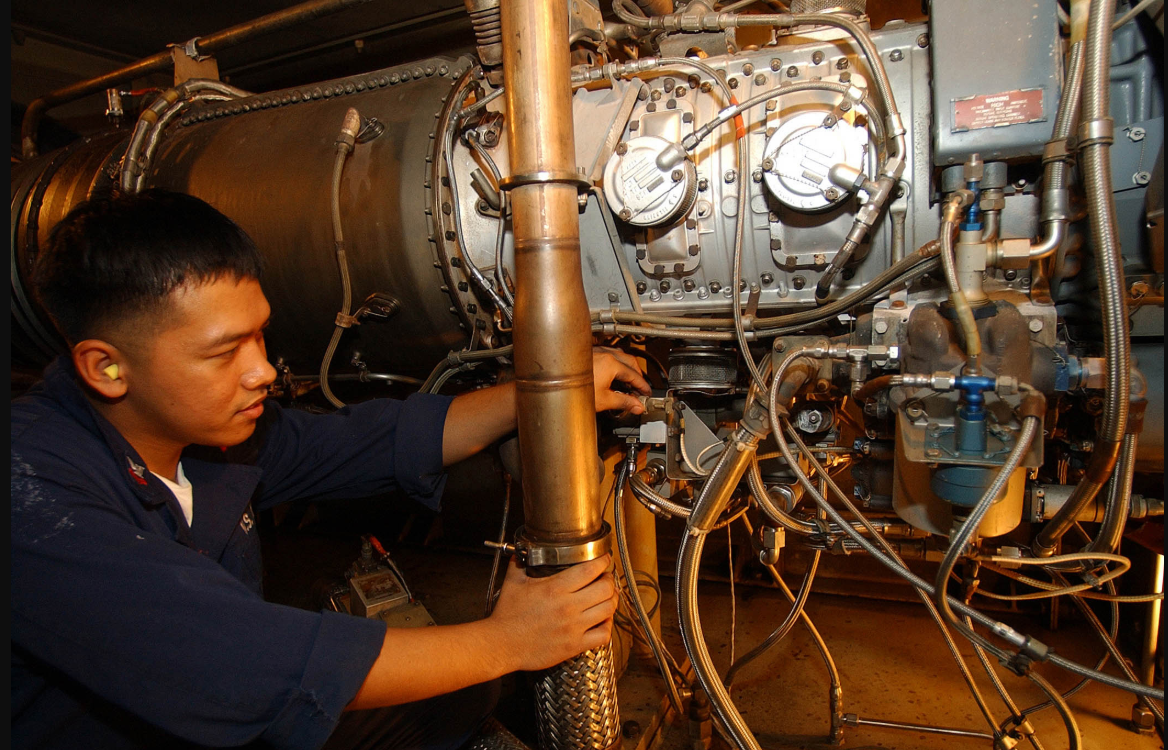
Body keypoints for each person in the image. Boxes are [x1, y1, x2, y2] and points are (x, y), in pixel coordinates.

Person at [11, 189, 652, 750]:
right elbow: (236, 664)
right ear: (107, 368)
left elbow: (364, 443)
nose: (261, 370)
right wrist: (508, 640)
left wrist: (548, 388)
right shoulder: (34, 497)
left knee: (450, 699)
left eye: (258, 336)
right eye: (222, 352)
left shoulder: (203, 435)